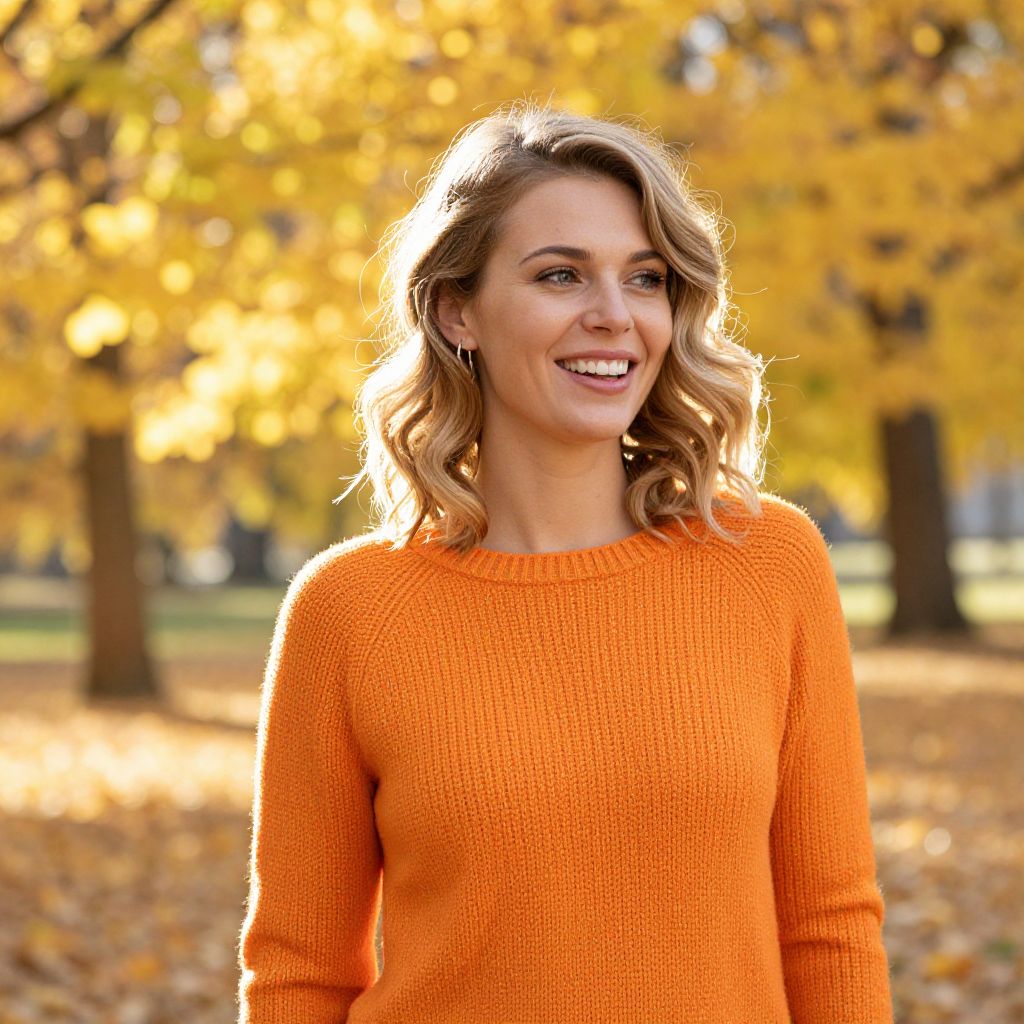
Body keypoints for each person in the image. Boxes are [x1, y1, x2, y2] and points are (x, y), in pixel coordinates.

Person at [236, 100, 894, 1024]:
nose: (614, 317)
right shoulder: (348, 610)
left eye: (646, 278)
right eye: (560, 276)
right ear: (456, 310)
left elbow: (829, 929)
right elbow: (299, 975)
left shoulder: (769, 564)